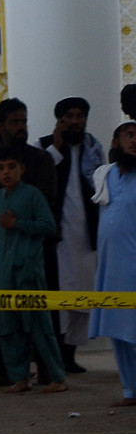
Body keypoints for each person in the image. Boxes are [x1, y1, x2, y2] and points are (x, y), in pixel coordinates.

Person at [0, 98, 58, 386]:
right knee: (3, 312)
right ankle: (7, 372)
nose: (21, 127)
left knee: (40, 313)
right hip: (0, 248)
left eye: (24, 121)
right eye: (14, 122)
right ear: (0, 126)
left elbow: (46, 195)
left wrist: (20, 213)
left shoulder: (41, 159)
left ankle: (48, 370)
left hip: (37, 249)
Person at [0, 146, 67, 394]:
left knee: (39, 325)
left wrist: (17, 223)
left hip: (28, 271)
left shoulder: (32, 195)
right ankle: (20, 377)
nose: (6, 172)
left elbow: (48, 226)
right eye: (1, 168)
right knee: (7, 327)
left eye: (11, 167)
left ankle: (58, 377)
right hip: (2, 272)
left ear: (22, 169)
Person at [34, 97, 102, 374]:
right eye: (70, 116)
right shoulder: (42, 147)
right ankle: (54, 355)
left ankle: (69, 355)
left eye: (80, 116)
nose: (75, 121)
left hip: (86, 238)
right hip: (57, 239)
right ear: (60, 120)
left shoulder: (93, 149)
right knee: (58, 296)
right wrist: (57, 147)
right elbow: (36, 178)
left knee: (83, 296)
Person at [90, 120, 136, 406]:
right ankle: (130, 390)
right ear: (116, 142)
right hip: (111, 267)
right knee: (119, 333)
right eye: (129, 135)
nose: (135, 140)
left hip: (134, 265)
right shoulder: (104, 176)